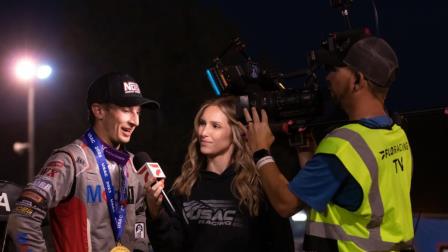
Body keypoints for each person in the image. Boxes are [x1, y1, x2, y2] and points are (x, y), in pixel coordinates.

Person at [243, 36, 414, 251]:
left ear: (357, 81)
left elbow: (285, 203)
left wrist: (260, 151)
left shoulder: (343, 145)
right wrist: (309, 156)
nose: (328, 78)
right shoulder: (396, 134)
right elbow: (348, 192)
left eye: (333, 70)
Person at [7, 72, 159, 251]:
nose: (135, 121)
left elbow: (139, 221)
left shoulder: (134, 165)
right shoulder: (70, 160)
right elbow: (22, 217)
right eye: (126, 110)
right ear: (98, 110)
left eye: (138, 112)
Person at [145, 96, 294, 252]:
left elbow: (282, 243)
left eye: (215, 126)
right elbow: (170, 247)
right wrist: (157, 215)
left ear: (235, 132)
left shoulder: (258, 186)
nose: (203, 132)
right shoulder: (184, 187)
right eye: (202, 123)